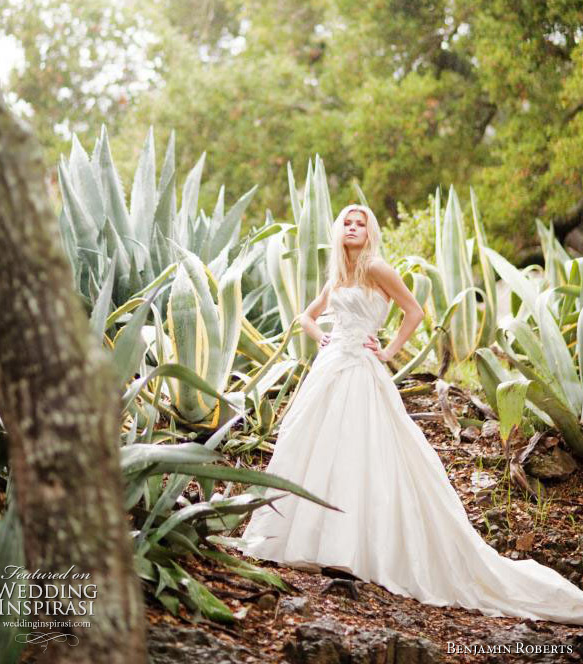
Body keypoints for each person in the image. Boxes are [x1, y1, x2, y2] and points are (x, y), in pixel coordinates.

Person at [240, 203, 583, 625]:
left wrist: (386, 350)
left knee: (365, 450)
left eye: (359, 223)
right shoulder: (338, 276)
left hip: (363, 371)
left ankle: (355, 547)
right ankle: (309, 540)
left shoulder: (377, 268)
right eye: (346, 223)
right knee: (317, 446)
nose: (351, 228)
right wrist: (325, 339)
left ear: (370, 233)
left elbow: (415, 311)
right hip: (330, 369)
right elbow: (306, 318)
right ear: (337, 231)